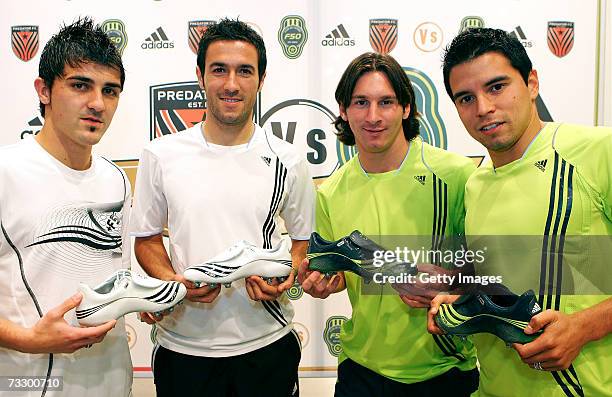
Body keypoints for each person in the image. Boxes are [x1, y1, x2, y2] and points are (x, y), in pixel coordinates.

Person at [130, 18, 314, 397]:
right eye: (219, 70)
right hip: (183, 349)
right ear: (200, 76)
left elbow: (302, 242)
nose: (231, 84)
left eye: (244, 71)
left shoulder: (288, 159)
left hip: (267, 346)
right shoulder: (161, 154)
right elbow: (146, 239)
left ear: (261, 80)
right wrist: (172, 284)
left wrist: (286, 275)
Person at [428, 27, 612, 396]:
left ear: (531, 83)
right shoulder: (474, 185)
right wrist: (460, 298)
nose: (483, 108)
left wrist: (585, 326)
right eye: (465, 98)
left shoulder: (597, 151)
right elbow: (499, 283)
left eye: (496, 87)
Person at [297, 52, 479, 396]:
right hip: (360, 370)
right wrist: (325, 281)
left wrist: (454, 283)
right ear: (343, 110)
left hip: (444, 369)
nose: (373, 116)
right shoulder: (331, 192)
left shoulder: (456, 176)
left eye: (386, 102)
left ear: (406, 108)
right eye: (361, 102)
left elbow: (496, 270)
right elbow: (337, 278)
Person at [0, 17, 132, 396]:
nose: (97, 104)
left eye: (110, 91)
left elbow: (113, 283)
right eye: (80, 86)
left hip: (112, 382)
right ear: (44, 90)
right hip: (28, 384)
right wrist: (29, 339)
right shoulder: (6, 172)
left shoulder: (117, 180)